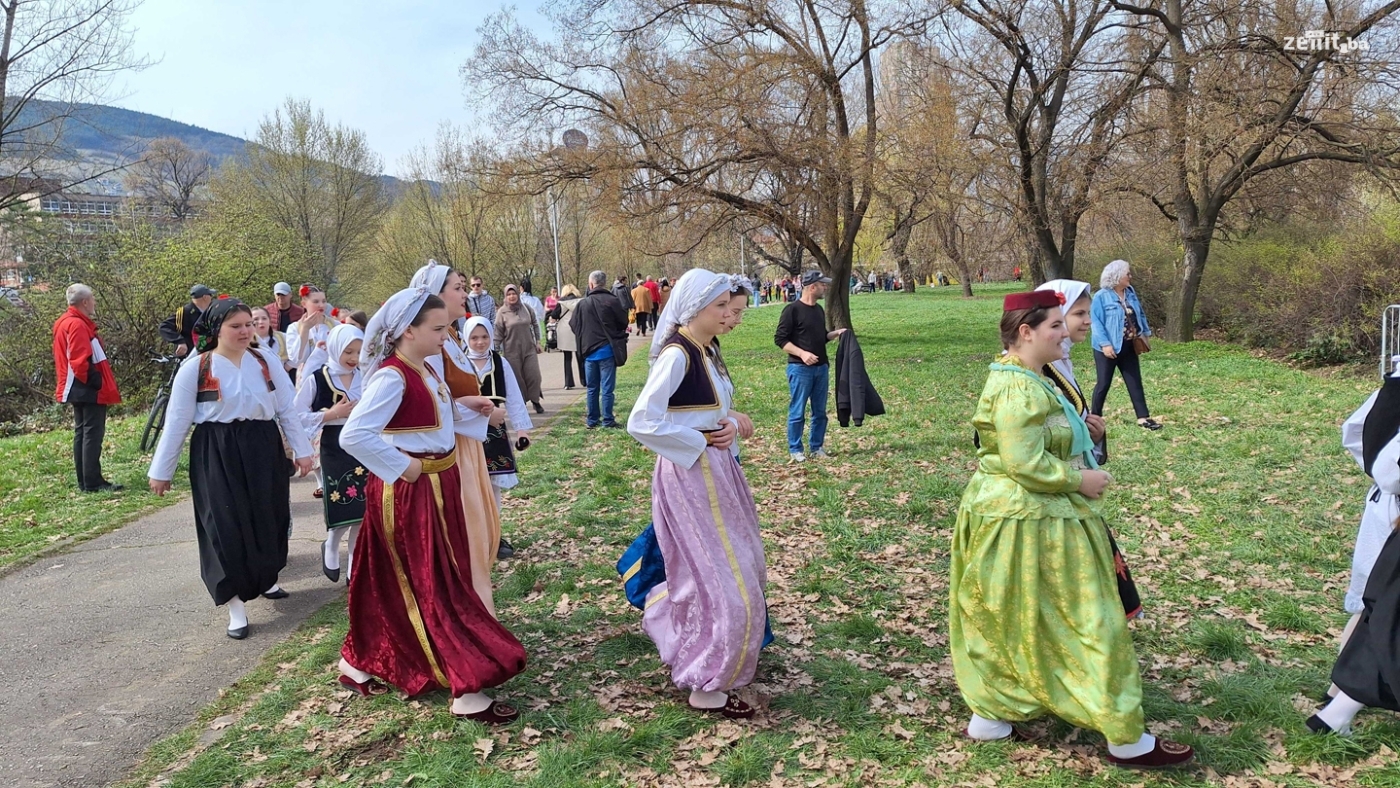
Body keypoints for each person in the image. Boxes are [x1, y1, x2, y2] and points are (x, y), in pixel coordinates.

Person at [950, 289, 1192, 768]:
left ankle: (992, 718)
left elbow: (1041, 438)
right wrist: (1079, 479)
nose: (1067, 332)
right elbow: (1023, 462)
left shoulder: (1032, 375)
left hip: (1024, 517)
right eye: (1057, 325)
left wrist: (1083, 435)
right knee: (1090, 620)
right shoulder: (1017, 386)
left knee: (1014, 616)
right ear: (1026, 332)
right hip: (1029, 520)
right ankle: (1124, 737)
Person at [337, 286, 526, 724]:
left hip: (438, 483)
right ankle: (464, 684)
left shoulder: (422, 369)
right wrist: (404, 467)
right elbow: (354, 434)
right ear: (408, 330)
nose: (446, 336)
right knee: (430, 581)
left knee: (417, 579)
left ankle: (359, 660)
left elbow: (429, 418)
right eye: (438, 329)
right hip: (412, 491)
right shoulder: (392, 376)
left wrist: (466, 408)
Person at [626, 268, 766, 720]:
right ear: (694, 308)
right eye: (720, 307)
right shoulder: (677, 354)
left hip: (715, 471)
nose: (730, 315)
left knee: (734, 566)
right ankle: (705, 678)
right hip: (691, 476)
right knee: (719, 575)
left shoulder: (705, 349)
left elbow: (701, 411)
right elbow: (642, 421)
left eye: (731, 307)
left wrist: (730, 421)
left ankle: (708, 652)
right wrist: (701, 439)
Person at [148, 297, 315, 639]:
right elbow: (177, 421)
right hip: (216, 449)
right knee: (224, 524)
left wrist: (302, 451)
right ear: (216, 329)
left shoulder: (264, 361)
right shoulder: (196, 368)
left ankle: (266, 578)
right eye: (235, 326)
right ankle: (235, 604)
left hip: (262, 446)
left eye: (248, 325)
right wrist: (161, 470)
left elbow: (286, 409)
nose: (245, 331)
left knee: (269, 517)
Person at [1036, 279, 1141, 618]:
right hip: (1049, 495)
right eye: (1078, 314)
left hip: (1066, 489)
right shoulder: (1036, 371)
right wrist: (1078, 477)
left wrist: (1091, 433)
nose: (1087, 322)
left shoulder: (1059, 362)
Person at [410, 261, 508, 607]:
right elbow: (435, 402)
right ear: (435, 296)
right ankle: (471, 610)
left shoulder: (451, 337)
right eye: (457, 288)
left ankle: (477, 607)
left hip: (466, 445)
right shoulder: (433, 346)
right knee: (466, 532)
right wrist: (484, 414)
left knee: (477, 531)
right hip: (453, 448)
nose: (464, 293)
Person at [1309, 365, 1400, 736]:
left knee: (1380, 608)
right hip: (1391, 511)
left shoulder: (1393, 384)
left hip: (1386, 507)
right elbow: (1389, 467)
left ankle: (1338, 702)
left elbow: (1356, 431)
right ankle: (1338, 703)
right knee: (1382, 610)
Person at [293, 323, 365, 584]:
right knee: (342, 502)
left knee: (363, 509)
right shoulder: (318, 378)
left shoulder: (366, 376)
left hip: (363, 444)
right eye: (348, 352)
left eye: (358, 352)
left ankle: (354, 566)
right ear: (335, 349)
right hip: (334, 445)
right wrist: (331, 414)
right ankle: (332, 544)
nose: (354, 358)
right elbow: (296, 414)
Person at [52, 283, 122, 493]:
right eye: (92, 298)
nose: (94, 302)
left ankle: (85, 481)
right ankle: (92, 482)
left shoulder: (65, 321)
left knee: (82, 432)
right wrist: (96, 381)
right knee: (92, 433)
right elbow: (79, 360)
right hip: (85, 386)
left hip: (74, 386)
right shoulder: (77, 324)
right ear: (84, 302)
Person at [464, 316, 533, 517]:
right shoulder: (458, 362)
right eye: (474, 337)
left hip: (494, 430)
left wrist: (522, 430)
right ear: (466, 338)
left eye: (484, 337)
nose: (480, 342)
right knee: (469, 481)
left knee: (493, 481)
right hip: (466, 429)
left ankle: (495, 525)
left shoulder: (499, 362)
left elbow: (514, 397)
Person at [774, 270, 846, 463]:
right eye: (822, 285)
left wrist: (835, 333)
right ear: (812, 287)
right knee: (798, 411)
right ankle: (795, 449)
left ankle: (816, 447)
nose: (825, 288)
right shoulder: (792, 310)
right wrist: (802, 354)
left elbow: (821, 337)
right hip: (800, 369)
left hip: (821, 369)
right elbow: (780, 339)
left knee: (820, 412)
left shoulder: (818, 310)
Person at [1090, 260, 1160, 431]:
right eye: (1127, 274)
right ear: (1116, 276)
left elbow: (1139, 313)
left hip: (1129, 345)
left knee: (1134, 380)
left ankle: (1143, 418)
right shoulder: (1101, 296)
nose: (1130, 276)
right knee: (1103, 384)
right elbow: (1096, 323)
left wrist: (1145, 333)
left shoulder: (1130, 292)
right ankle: (1093, 418)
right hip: (1107, 348)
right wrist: (1105, 344)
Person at [571, 270, 630, 429]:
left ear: (591, 284)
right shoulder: (612, 301)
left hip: (589, 352)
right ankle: (608, 420)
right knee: (607, 389)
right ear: (604, 283)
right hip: (607, 350)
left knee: (592, 388)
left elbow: (574, 325)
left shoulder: (582, 304)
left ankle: (592, 420)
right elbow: (623, 322)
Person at [494, 284, 545, 415]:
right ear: (505, 296)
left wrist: (538, 342)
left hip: (529, 349)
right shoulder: (502, 312)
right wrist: (495, 351)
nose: (512, 296)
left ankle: (535, 400)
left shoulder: (526, 308)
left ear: (518, 294)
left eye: (514, 294)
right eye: (509, 294)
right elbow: (498, 333)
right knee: (518, 379)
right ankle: (522, 403)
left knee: (534, 376)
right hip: (512, 351)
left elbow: (535, 324)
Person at [160, 284, 216, 358]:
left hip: (208, 355)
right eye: (210, 295)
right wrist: (180, 341)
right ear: (205, 297)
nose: (212, 298)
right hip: (189, 356)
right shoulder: (185, 312)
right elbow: (164, 327)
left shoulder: (210, 312)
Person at [551, 284, 586, 390]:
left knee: (567, 358)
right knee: (580, 357)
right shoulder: (581, 301)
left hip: (565, 331)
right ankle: (585, 380)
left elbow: (554, 315)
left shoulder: (561, 302)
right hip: (578, 329)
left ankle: (568, 382)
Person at [250, 307, 292, 373]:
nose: (261, 322)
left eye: (264, 318)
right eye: (256, 319)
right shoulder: (246, 342)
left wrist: (287, 367)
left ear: (269, 321)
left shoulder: (282, 337)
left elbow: (298, 353)